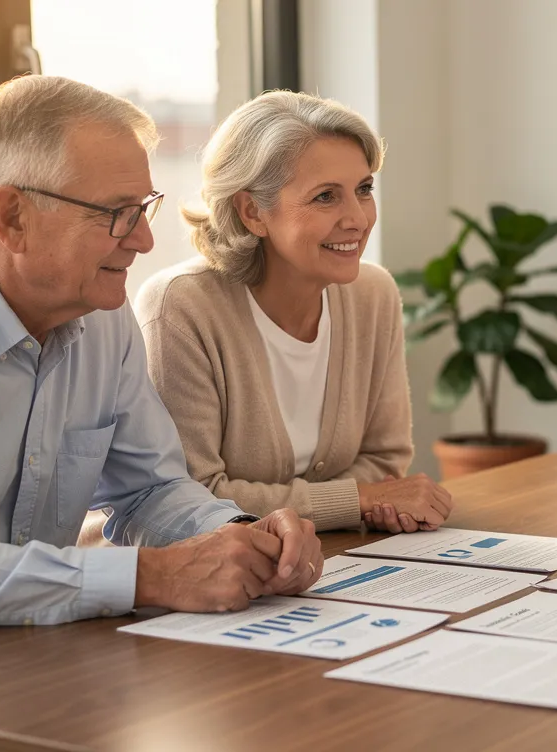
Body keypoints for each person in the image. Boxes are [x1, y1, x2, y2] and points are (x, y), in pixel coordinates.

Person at [0, 75, 325, 642]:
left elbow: (149, 491)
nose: (144, 242)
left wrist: (245, 538)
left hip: (24, 653)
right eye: (116, 213)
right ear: (12, 218)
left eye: (143, 209)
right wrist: (149, 577)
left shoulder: (102, 313)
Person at [119, 90, 452, 536]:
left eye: (364, 189)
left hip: (332, 558)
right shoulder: (180, 307)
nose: (357, 218)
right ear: (253, 211)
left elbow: (385, 461)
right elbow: (187, 496)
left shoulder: (374, 294)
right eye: (325, 197)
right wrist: (359, 500)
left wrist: (365, 500)